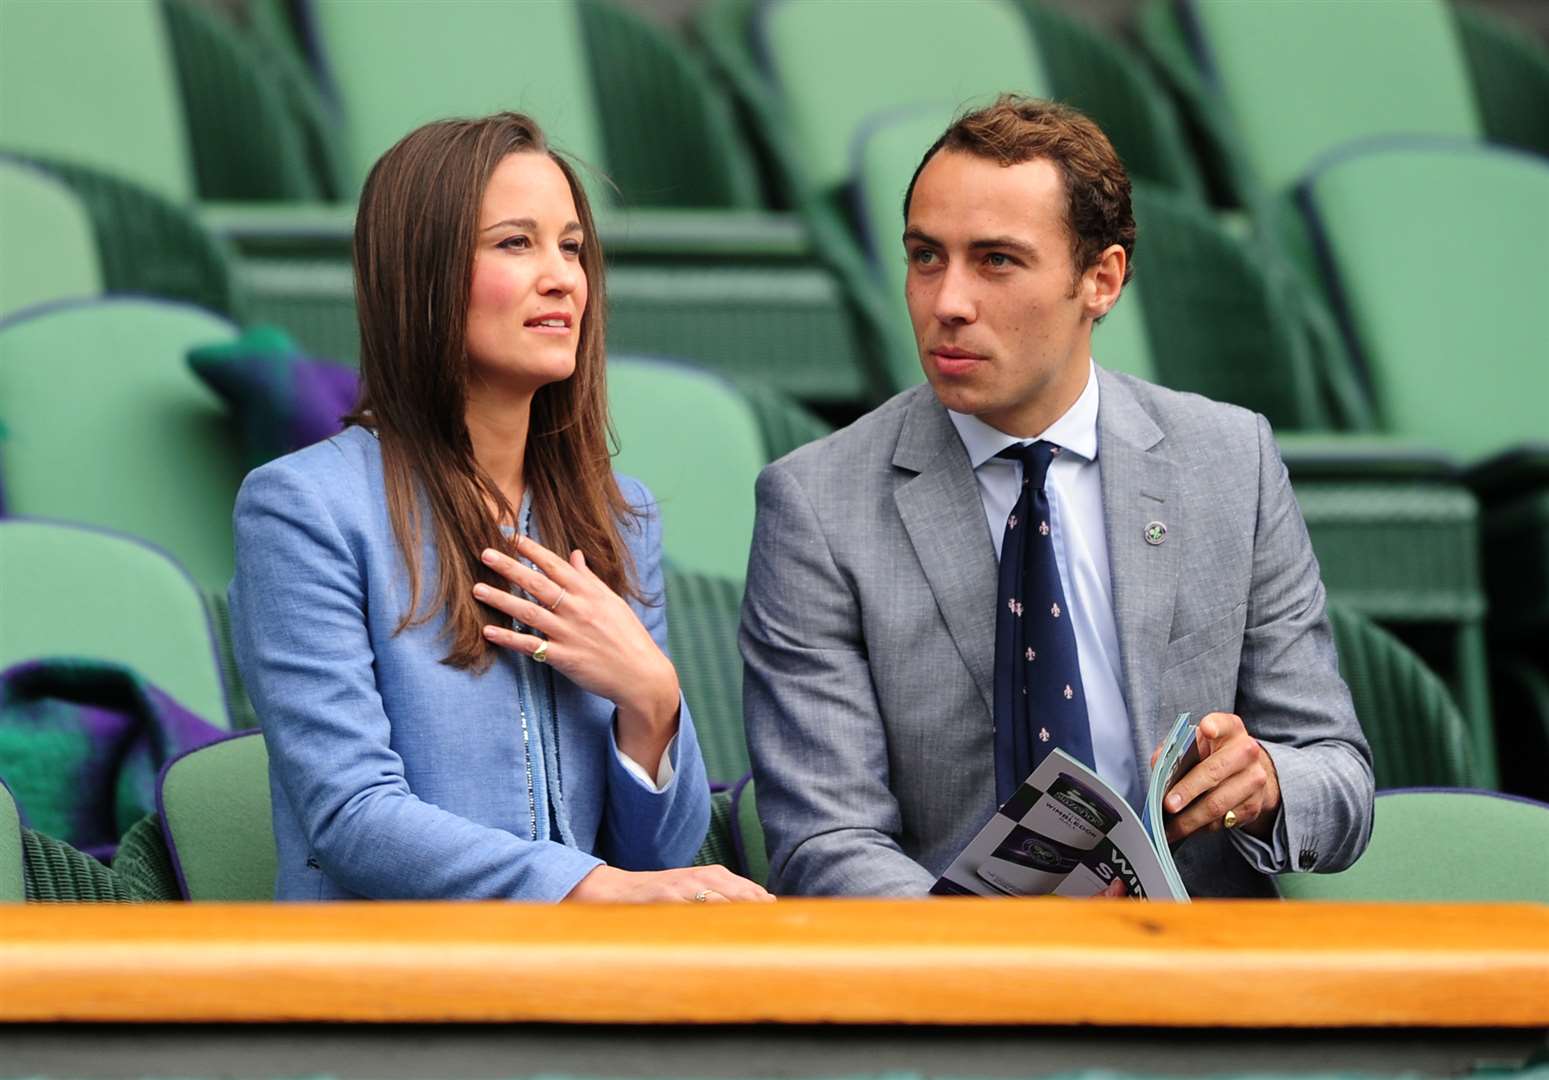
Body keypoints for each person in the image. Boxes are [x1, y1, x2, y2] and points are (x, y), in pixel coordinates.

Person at [740, 96, 1373, 898]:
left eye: (995, 260)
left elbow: (1339, 781)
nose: (946, 303)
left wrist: (1268, 783)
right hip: (959, 990)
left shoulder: (1229, 461)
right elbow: (824, 840)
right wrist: (993, 954)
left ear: (1099, 280)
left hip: (1201, 969)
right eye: (925, 257)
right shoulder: (816, 505)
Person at [231, 112, 769, 903]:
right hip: (392, 991)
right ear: (422, 272)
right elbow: (351, 818)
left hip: (582, 988)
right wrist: (584, 889)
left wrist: (652, 701)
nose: (561, 277)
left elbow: (656, 861)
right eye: (515, 243)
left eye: (573, 247)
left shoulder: (618, 514)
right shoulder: (304, 508)